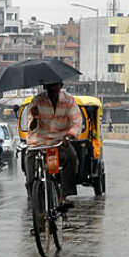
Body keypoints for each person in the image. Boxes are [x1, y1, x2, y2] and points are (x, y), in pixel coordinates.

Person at [25, 82, 81, 213]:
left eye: (54, 86)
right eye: (49, 87)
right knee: (29, 172)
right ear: (45, 88)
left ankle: (64, 195)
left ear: (60, 86)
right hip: (37, 143)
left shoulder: (69, 101)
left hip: (59, 141)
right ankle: (34, 199)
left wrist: (70, 135)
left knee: (72, 158)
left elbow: (76, 121)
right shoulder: (36, 101)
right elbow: (31, 127)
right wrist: (34, 118)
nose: (52, 90)